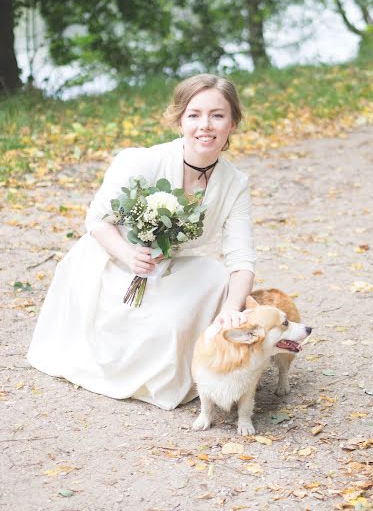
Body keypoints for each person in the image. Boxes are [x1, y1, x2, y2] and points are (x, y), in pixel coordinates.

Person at [27, 73, 256, 410]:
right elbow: (97, 221)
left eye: (217, 115)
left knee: (218, 277)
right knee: (156, 327)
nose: (205, 125)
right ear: (179, 120)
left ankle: (188, 346)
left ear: (233, 123)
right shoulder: (143, 161)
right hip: (113, 262)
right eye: (194, 115)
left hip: (165, 265)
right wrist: (129, 254)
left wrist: (228, 312)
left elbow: (241, 259)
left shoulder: (234, 183)